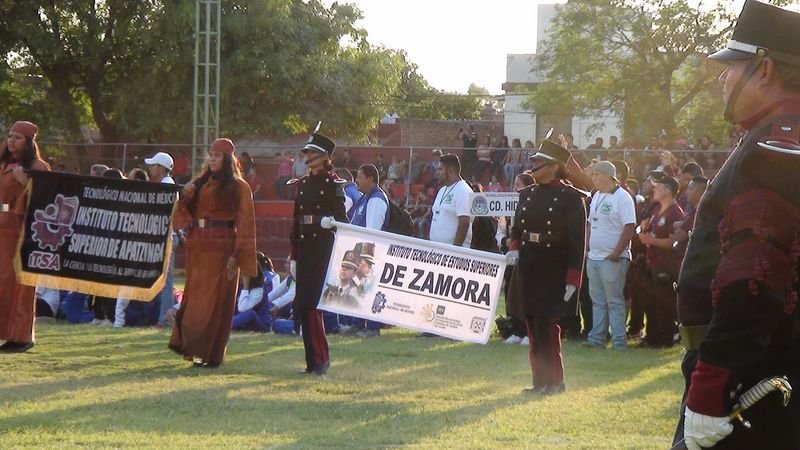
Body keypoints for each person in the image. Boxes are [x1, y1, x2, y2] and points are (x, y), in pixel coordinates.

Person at [674, 2, 800, 448]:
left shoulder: (774, 148)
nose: (721, 78)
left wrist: (711, 388)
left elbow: (755, 278)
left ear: (764, 70)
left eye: (732, 65)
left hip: (752, 379)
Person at [506, 139, 587, 395]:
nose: (533, 165)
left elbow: (577, 241)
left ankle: (555, 381)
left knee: (548, 326)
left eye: (539, 162)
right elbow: (517, 227)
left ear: (554, 166)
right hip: (530, 264)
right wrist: (515, 247)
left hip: (555, 266)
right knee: (532, 324)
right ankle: (539, 380)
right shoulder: (527, 194)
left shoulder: (571, 198)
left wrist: (574, 277)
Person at [168, 138, 257, 368]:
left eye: (217, 156)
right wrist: (185, 194)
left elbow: (246, 223)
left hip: (222, 249)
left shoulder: (239, 187)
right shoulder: (200, 183)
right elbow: (183, 212)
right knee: (195, 301)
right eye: (211, 155)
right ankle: (193, 347)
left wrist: (235, 255)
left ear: (228, 160)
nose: (212, 159)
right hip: (198, 248)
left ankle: (212, 355)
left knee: (216, 304)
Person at [287, 131, 348, 375]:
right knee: (302, 305)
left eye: (312, 153)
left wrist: (329, 222)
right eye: (307, 152)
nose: (307, 156)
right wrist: (293, 254)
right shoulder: (302, 184)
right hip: (305, 247)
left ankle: (320, 360)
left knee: (313, 305)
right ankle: (311, 362)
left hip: (323, 248)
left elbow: (343, 221)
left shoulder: (333, 184)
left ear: (324, 157)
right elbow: (296, 222)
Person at [0, 121, 50, 352]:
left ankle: (21, 336)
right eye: (10, 136)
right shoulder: (3, 164)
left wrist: (24, 182)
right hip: (2, 232)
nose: (11, 140)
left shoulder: (37, 167)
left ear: (29, 142)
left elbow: (46, 203)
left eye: (18, 137)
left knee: (20, 286)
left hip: (22, 235)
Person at [583, 161, 636, 351]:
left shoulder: (623, 198)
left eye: (596, 175)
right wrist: (587, 248)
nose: (594, 178)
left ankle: (619, 341)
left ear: (608, 176)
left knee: (614, 300)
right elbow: (589, 224)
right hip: (594, 257)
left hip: (612, 258)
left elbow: (629, 225)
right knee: (597, 300)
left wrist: (616, 252)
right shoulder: (596, 195)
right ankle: (597, 338)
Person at [638, 171, 683, 348]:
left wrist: (652, 240)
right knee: (652, 302)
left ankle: (665, 339)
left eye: (660, 187)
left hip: (666, 264)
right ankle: (653, 337)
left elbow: (674, 242)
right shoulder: (657, 210)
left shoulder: (675, 213)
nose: (655, 189)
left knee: (664, 304)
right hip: (652, 263)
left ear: (669, 190)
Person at [143, 151, 177, 329]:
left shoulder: (166, 185)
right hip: (164, 236)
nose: (150, 168)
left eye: (153, 165)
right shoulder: (165, 184)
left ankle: (165, 320)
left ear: (161, 168)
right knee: (162, 281)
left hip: (167, 237)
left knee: (165, 281)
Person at [429, 154, 472, 247]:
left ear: (450, 170)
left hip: (452, 253)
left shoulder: (464, 190)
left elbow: (464, 223)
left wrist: (454, 250)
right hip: (437, 250)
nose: (437, 172)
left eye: (440, 169)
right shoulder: (442, 190)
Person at [232, 252, 279, 332]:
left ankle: (225, 327)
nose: (240, 275)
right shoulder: (241, 286)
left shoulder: (259, 290)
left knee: (250, 313)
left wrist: (246, 286)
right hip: (246, 323)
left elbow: (243, 309)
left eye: (243, 273)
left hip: (262, 324)